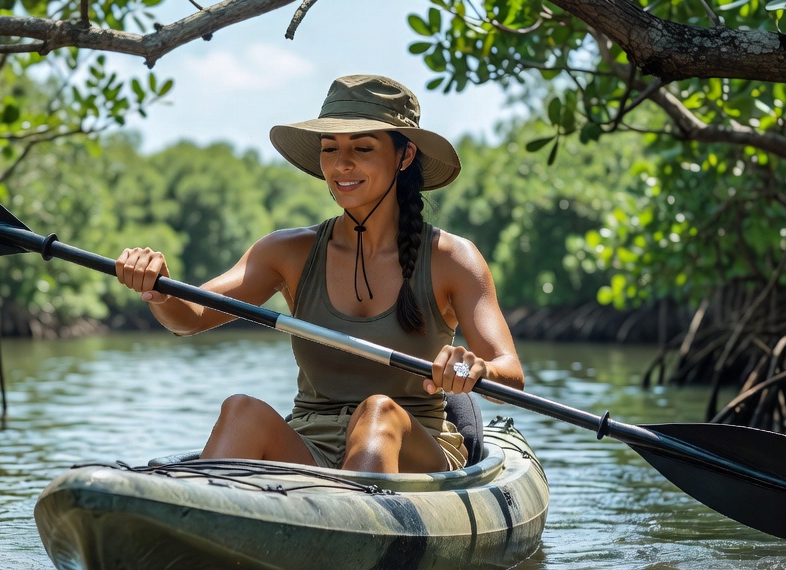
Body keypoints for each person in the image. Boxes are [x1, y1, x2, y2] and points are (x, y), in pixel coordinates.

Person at [115, 74, 523, 474]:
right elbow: (190, 317)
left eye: (362, 148)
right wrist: (159, 289)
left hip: (411, 447)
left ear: (405, 156)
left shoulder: (453, 258)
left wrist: (475, 369)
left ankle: (353, 524)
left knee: (377, 412)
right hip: (310, 444)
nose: (341, 165)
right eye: (330, 149)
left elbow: (511, 373)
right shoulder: (287, 251)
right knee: (241, 409)